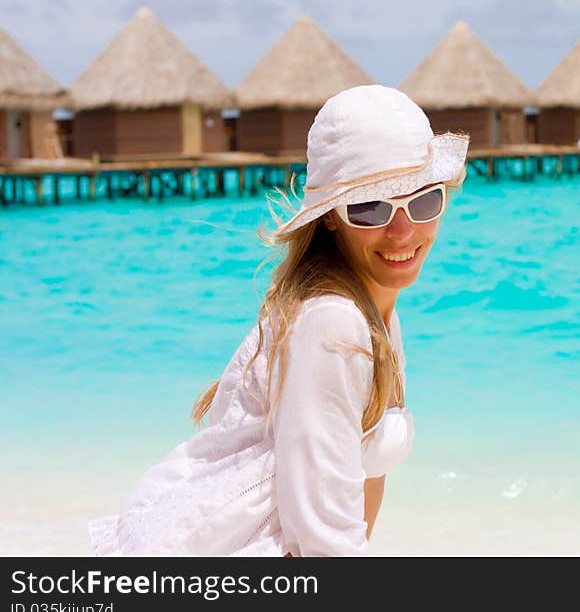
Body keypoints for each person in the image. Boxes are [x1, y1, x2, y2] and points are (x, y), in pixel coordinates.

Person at [87, 85, 469, 556]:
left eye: (424, 201)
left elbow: (358, 493)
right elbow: (324, 538)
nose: (403, 230)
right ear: (330, 218)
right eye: (370, 208)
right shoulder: (333, 324)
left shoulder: (376, 314)